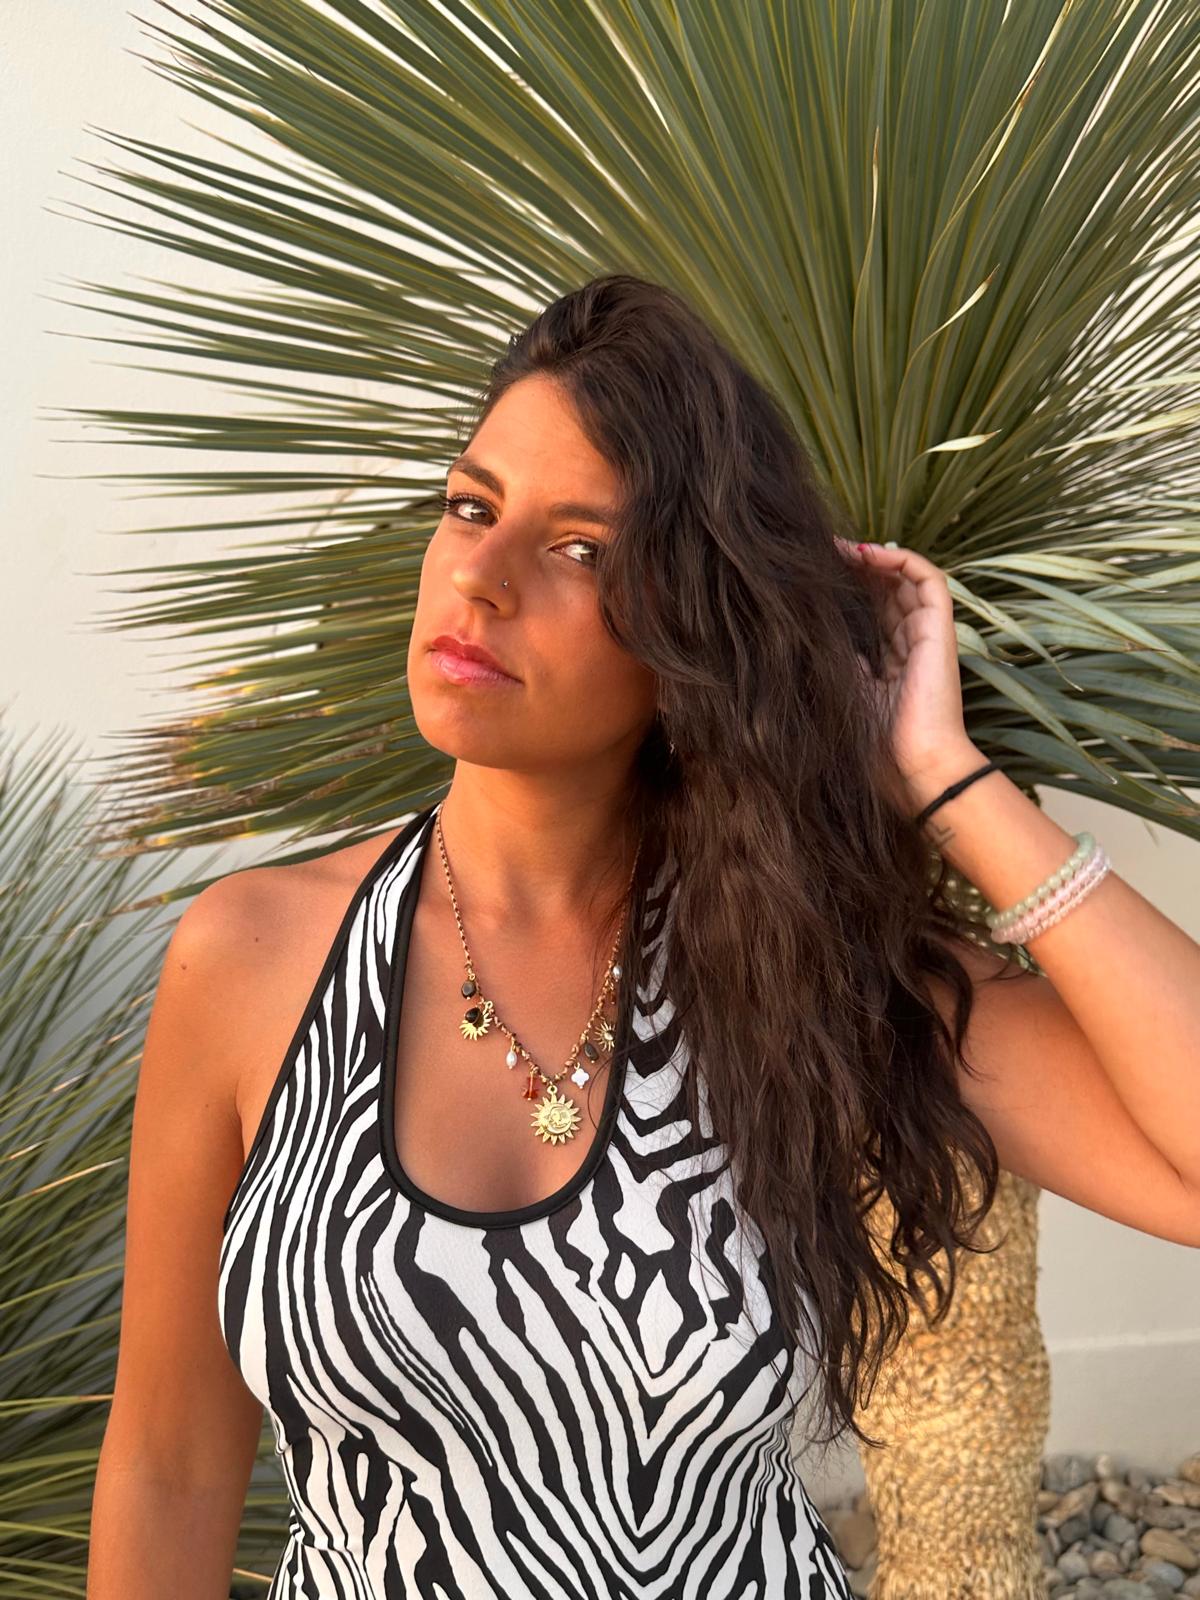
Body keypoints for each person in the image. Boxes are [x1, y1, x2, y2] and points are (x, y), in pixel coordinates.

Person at [88, 274, 1200, 1599]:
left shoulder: (804, 965)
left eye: (581, 551)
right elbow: (169, 1462)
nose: (481, 577)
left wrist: (944, 777)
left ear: (692, 630)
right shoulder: (252, 953)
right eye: (473, 507)